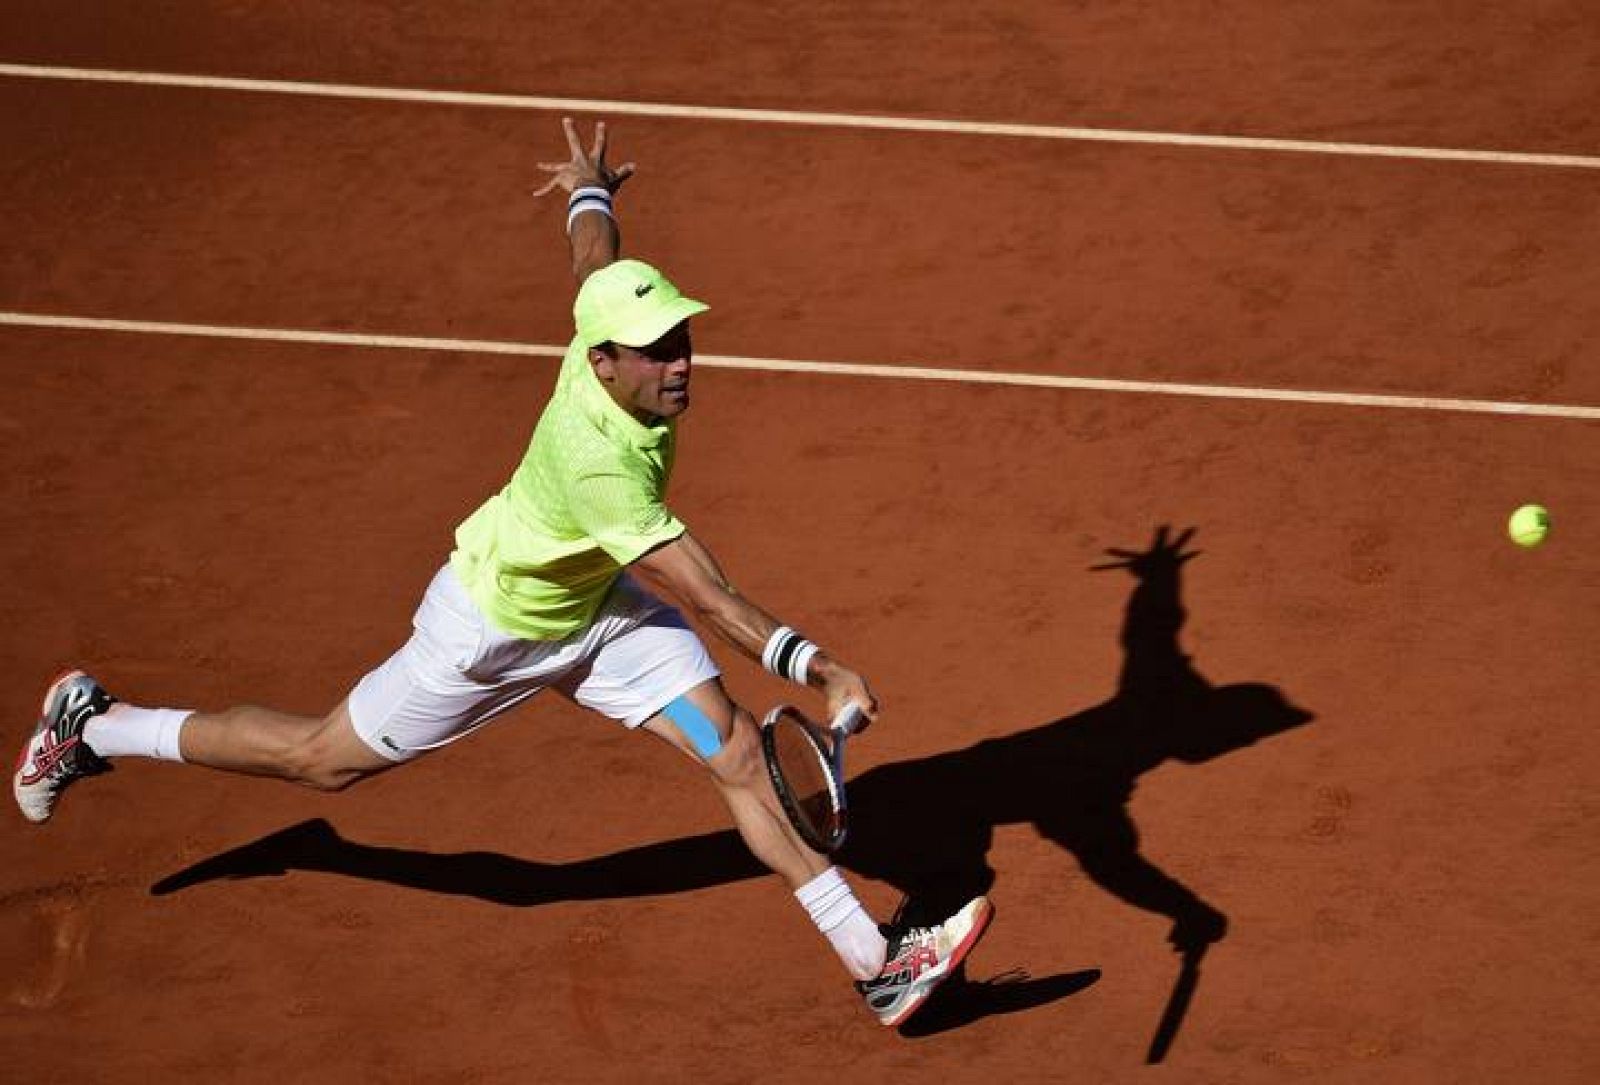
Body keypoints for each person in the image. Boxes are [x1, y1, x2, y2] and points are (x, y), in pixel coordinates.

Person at [13, 117, 991, 1029]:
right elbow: (704, 590)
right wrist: (816, 666)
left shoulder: (601, 332)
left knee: (735, 751)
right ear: (603, 364)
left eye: (681, 338)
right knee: (324, 759)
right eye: (656, 354)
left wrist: (588, 196)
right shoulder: (599, 458)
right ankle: (95, 724)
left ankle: (876, 961)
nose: (680, 363)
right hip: (488, 630)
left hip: (598, 610)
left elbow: (594, 265)